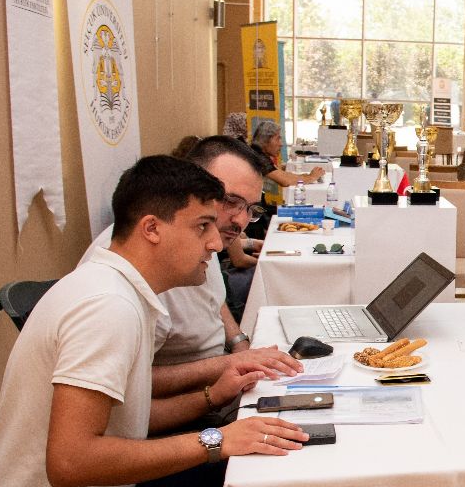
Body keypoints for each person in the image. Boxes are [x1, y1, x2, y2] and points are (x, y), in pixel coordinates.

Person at [0, 155, 309, 487]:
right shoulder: (108, 307)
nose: (215, 243)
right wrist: (216, 439)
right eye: (201, 227)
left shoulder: (119, 289)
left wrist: (213, 397)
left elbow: (125, 421)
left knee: (260, 477)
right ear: (152, 228)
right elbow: (70, 461)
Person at [79, 136, 302, 404]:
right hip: (189, 402)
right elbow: (127, 388)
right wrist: (226, 368)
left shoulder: (203, 239)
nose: (241, 220)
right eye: (230, 201)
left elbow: (213, 301)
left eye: (250, 209)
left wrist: (241, 344)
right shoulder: (136, 268)